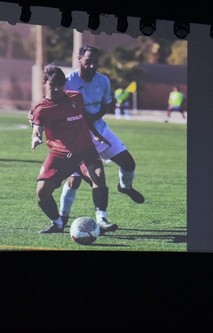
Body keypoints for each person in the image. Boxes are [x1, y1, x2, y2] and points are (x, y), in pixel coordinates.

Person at [59, 45, 145, 226]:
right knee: (75, 180)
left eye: (95, 62)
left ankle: (124, 187)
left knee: (129, 163)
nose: (92, 66)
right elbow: (56, 107)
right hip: (78, 138)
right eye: (88, 61)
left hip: (101, 131)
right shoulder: (68, 82)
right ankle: (63, 219)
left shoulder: (103, 81)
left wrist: (93, 118)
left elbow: (106, 105)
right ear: (79, 59)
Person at [30, 64, 117, 234]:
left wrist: (96, 134)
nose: (56, 88)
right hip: (60, 154)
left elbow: (85, 117)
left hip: (85, 150)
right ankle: (58, 223)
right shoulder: (41, 109)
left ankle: (102, 221)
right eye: (52, 84)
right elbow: (37, 128)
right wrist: (36, 137)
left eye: (60, 85)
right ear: (44, 83)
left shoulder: (76, 97)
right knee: (42, 192)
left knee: (98, 176)